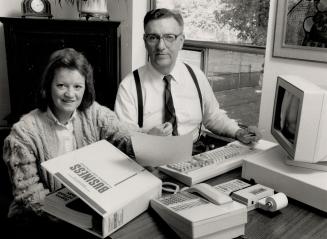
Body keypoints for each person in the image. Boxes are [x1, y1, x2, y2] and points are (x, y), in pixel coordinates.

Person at [2, 48, 137, 237]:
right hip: (39, 220)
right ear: (48, 86)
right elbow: (29, 195)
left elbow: (124, 136)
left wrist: (148, 139)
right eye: (61, 85)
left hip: (87, 210)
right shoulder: (23, 133)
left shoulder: (95, 113)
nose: (70, 94)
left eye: (77, 86)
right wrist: (71, 217)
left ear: (86, 87)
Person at [115, 8, 260, 148]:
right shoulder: (129, 86)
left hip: (196, 155)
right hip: (151, 159)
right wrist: (148, 139)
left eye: (169, 37)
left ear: (181, 41)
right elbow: (122, 138)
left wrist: (239, 132)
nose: (161, 46)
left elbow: (213, 117)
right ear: (145, 41)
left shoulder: (196, 76)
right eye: (153, 37)